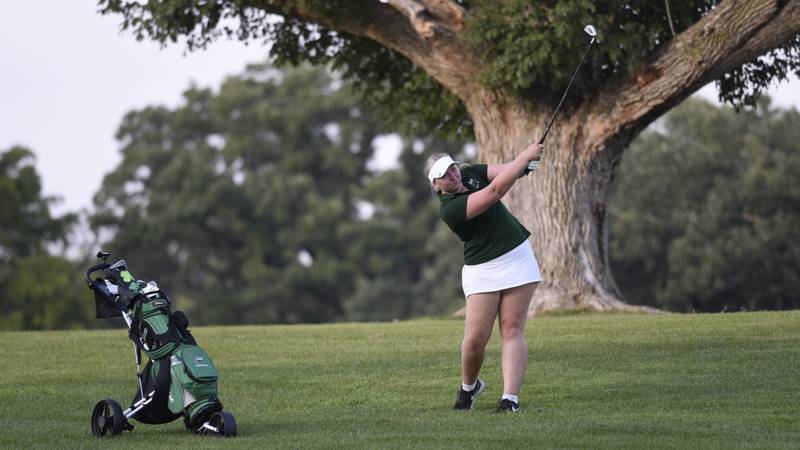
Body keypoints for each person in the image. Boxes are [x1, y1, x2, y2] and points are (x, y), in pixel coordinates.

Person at [424, 143, 543, 413]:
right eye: (444, 175)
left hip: (516, 256)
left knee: (512, 328)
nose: (453, 175)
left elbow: (507, 171)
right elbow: (495, 191)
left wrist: (525, 166)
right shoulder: (450, 209)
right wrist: (525, 156)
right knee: (475, 339)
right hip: (482, 268)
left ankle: (509, 399)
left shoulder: (470, 173)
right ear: (436, 186)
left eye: (453, 168)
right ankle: (469, 388)